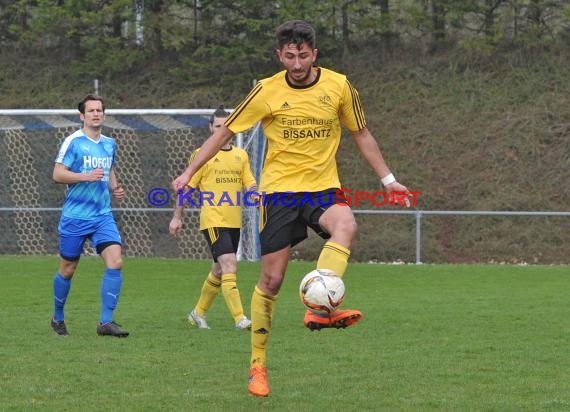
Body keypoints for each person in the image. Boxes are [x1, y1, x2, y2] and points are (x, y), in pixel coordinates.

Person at [172, 20, 412, 397]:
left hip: (322, 188)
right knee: (271, 282)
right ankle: (257, 366)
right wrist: (189, 172)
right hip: (279, 194)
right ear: (279, 55)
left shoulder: (339, 86)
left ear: (314, 54)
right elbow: (224, 133)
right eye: (289, 56)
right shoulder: (266, 91)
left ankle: (320, 305)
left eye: (303, 56)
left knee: (346, 225)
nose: (296, 63)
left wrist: (388, 179)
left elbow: (361, 133)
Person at [169, 106, 257, 331]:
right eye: (218, 126)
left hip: (234, 221)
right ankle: (240, 319)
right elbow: (186, 189)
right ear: (211, 128)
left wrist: (257, 195)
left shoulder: (241, 155)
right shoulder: (202, 155)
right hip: (213, 220)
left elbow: (250, 183)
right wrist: (177, 217)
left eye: (225, 126)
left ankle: (197, 314)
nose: (222, 130)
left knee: (219, 270)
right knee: (230, 264)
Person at [50, 94, 129, 338]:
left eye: (99, 110)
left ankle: (105, 322)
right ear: (82, 116)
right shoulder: (73, 142)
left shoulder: (109, 143)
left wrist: (114, 187)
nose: (96, 114)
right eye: (91, 110)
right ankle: (58, 317)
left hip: (102, 216)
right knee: (68, 269)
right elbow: (57, 174)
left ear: (104, 115)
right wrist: (85, 176)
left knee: (115, 262)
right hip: (75, 216)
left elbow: (109, 167)